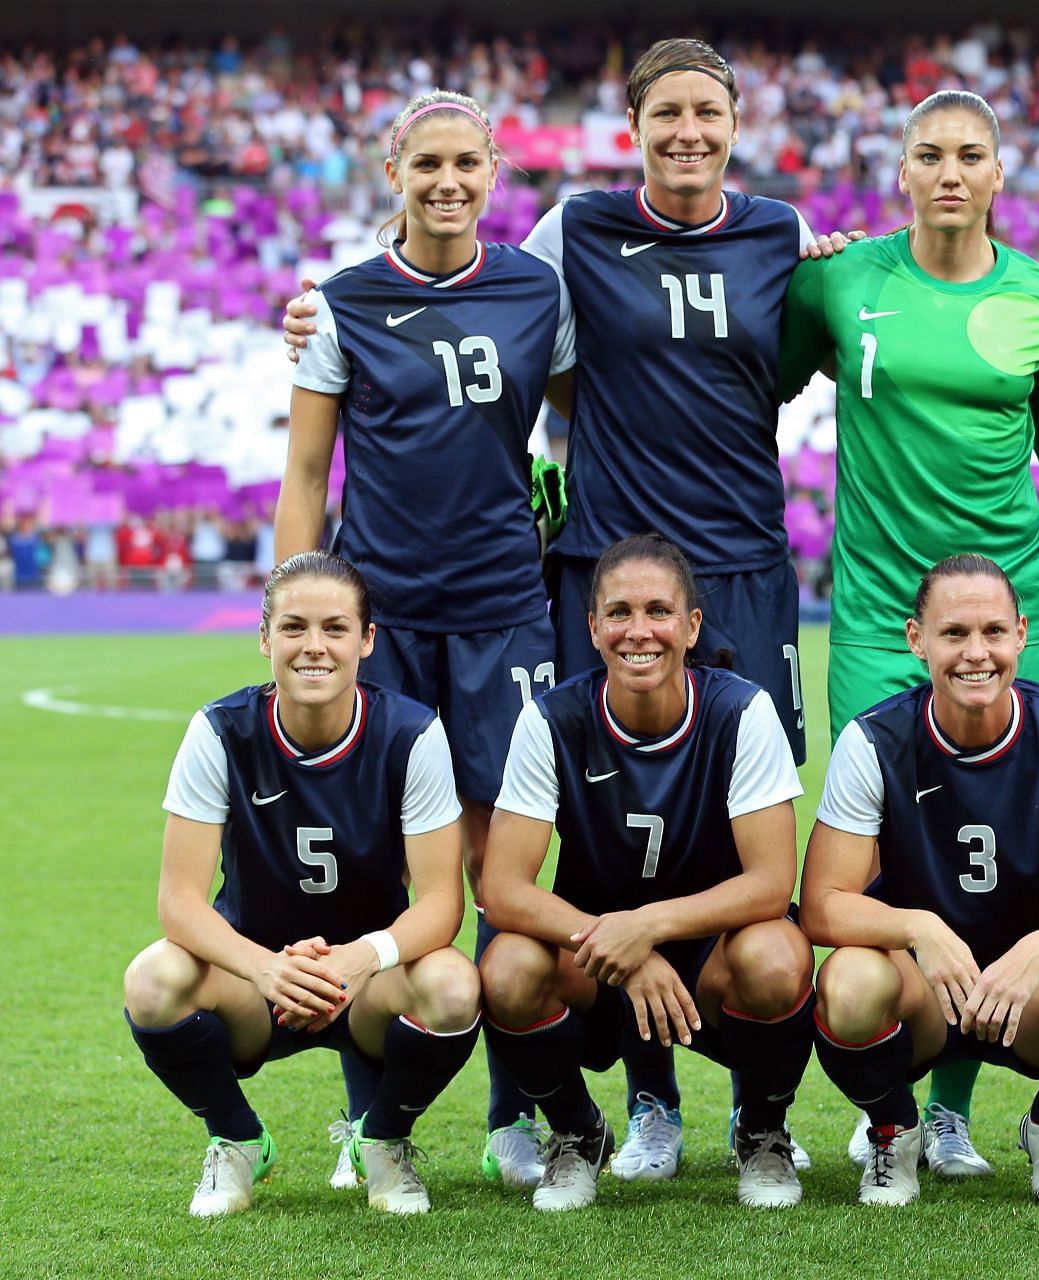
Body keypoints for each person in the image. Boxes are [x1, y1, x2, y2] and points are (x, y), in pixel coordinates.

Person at [282, 38, 847, 1181]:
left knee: (747, 837)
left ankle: (757, 1115)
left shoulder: (786, 235)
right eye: (665, 113)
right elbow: (500, 351)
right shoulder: (570, 235)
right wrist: (318, 317)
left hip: (742, 563)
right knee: (575, 836)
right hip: (600, 569)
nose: (687, 130)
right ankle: (628, 1103)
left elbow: (798, 351)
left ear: (737, 121)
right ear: (629, 126)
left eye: (708, 111)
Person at [777, 88, 1039, 1175]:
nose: (949, 170)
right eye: (929, 154)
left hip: (1016, 614)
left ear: (1000, 175)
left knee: (1012, 849)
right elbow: (747, 375)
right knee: (890, 853)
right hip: (874, 613)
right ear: (899, 171)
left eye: (970, 155)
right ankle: (895, 1111)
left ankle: (951, 1105)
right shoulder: (839, 281)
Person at [276, 88, 573, 1192]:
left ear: (495, 172)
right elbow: (308, 475)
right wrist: (300, 615)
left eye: (467, 163)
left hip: (505, 611)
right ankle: (371, 1116)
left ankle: (512, 1112)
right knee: (378, 871)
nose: (448, 182)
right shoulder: (343, 301)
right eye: (426, 163)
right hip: (385, 617)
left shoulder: (538, 289)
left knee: (502, 872)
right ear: (391, 171)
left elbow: (583, 425)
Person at [120, 552, 479, 1217]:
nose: (314, 646)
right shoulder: (220, 731)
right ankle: (236, 1139)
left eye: (335, 628)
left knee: (454, 988)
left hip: (367, 984)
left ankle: (384, 1141)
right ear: (265, 638)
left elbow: (440, 903)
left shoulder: (412, 733)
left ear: (367, 641)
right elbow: (178, 901)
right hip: (253, 984)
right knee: (151, 979)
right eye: (294, 627)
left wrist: (355, 959)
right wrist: (264, 969)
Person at [800, 555, 1039, 1206]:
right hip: (923, 992)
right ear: (917, 640)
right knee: (849, 982)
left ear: (1022, 634)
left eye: (994, 632)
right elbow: (824, 906)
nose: (977, 653)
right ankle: (894, 1132)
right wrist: (918, 927)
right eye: (954, 634)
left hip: (1032, 995)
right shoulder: (874, 740)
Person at [476, 533, 816, 1211]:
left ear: (691, 627)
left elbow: (772, 882)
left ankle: (762, 1131)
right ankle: (578, 1134)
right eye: (620, 612)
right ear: (593, 626)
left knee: (779, 956)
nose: (640, 631)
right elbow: (503, 889)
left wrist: (649, 928)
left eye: (659, 611)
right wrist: (625, 952)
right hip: (597, 959)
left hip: (714, 958)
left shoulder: (742, 711)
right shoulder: (550, 721)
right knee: (508, 967)